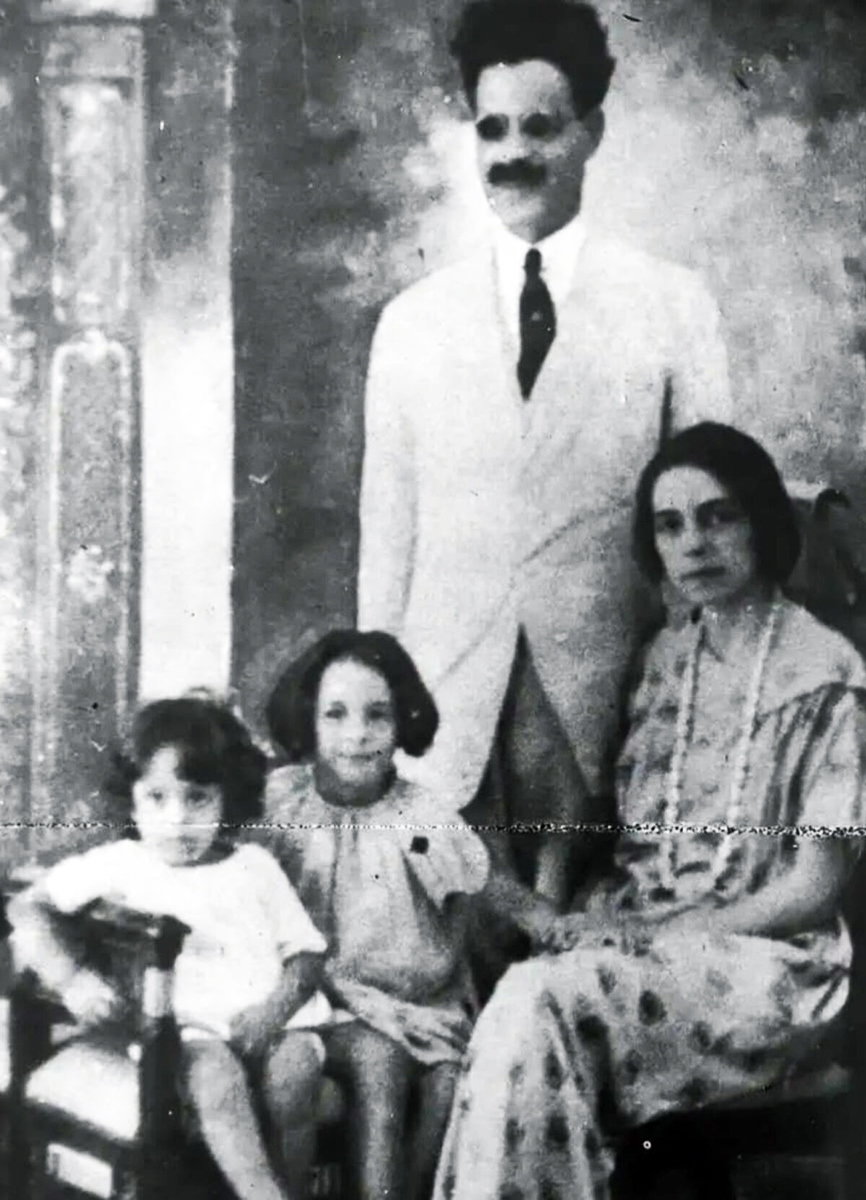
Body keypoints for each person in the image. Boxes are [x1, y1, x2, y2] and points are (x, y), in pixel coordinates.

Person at [357, 0, 732, 905]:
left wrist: (697, 700)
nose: (513, 153)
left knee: (581, 935)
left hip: (605, 700)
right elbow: (387, 539)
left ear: (591, 134)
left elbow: (713, 523)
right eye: (492, 129)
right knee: (455, 934)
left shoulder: (672, 305)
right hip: (448, 701)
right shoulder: (412, 324)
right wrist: (381, 698)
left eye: (541, 127)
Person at [431, 423, 866, 1200]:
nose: (693, 543)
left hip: (767, 966)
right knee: (524, 998)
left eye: (718, 516)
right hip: (642, 952)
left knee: (541, 1003)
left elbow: (813, 888)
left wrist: (670, 933)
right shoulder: (662, 663)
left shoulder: (828, 674)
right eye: (670, 525)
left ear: (763, 523)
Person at [9, 696, 328, 1200]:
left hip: (273, 1022)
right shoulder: (122, 863)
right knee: (216, 1080)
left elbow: (307, 954)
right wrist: (71, 978)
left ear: (226, 799)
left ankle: (292, 1189)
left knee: (298, 1074)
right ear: (133, 800)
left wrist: (273, 1012)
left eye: (197, 798)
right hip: (187, 1035)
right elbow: (27, 906)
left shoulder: (254, 866)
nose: (177, 819)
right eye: (157, 798)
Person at [261, 630, 493, 1200]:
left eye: (378, 715)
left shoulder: (418, 816)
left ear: (402, 720)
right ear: (308, 720)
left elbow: (471, 895)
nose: (358, 734)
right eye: (335, 714)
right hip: (323, 994)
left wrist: (437, 977)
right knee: (382, 1067)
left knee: (447, 1087)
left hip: (414, 1000)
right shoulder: (282, 802)